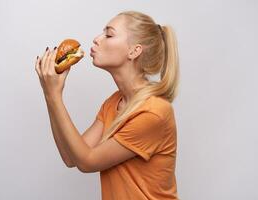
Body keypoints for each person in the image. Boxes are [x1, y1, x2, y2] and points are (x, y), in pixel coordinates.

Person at [35, 10, 180, 200]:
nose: (96, 39)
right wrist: (50, 95)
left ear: (134, 51)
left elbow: (87, 161)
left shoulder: (154, 112)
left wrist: (54, 95)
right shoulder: (114, 102)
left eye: (109, 34)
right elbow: (71, 158)